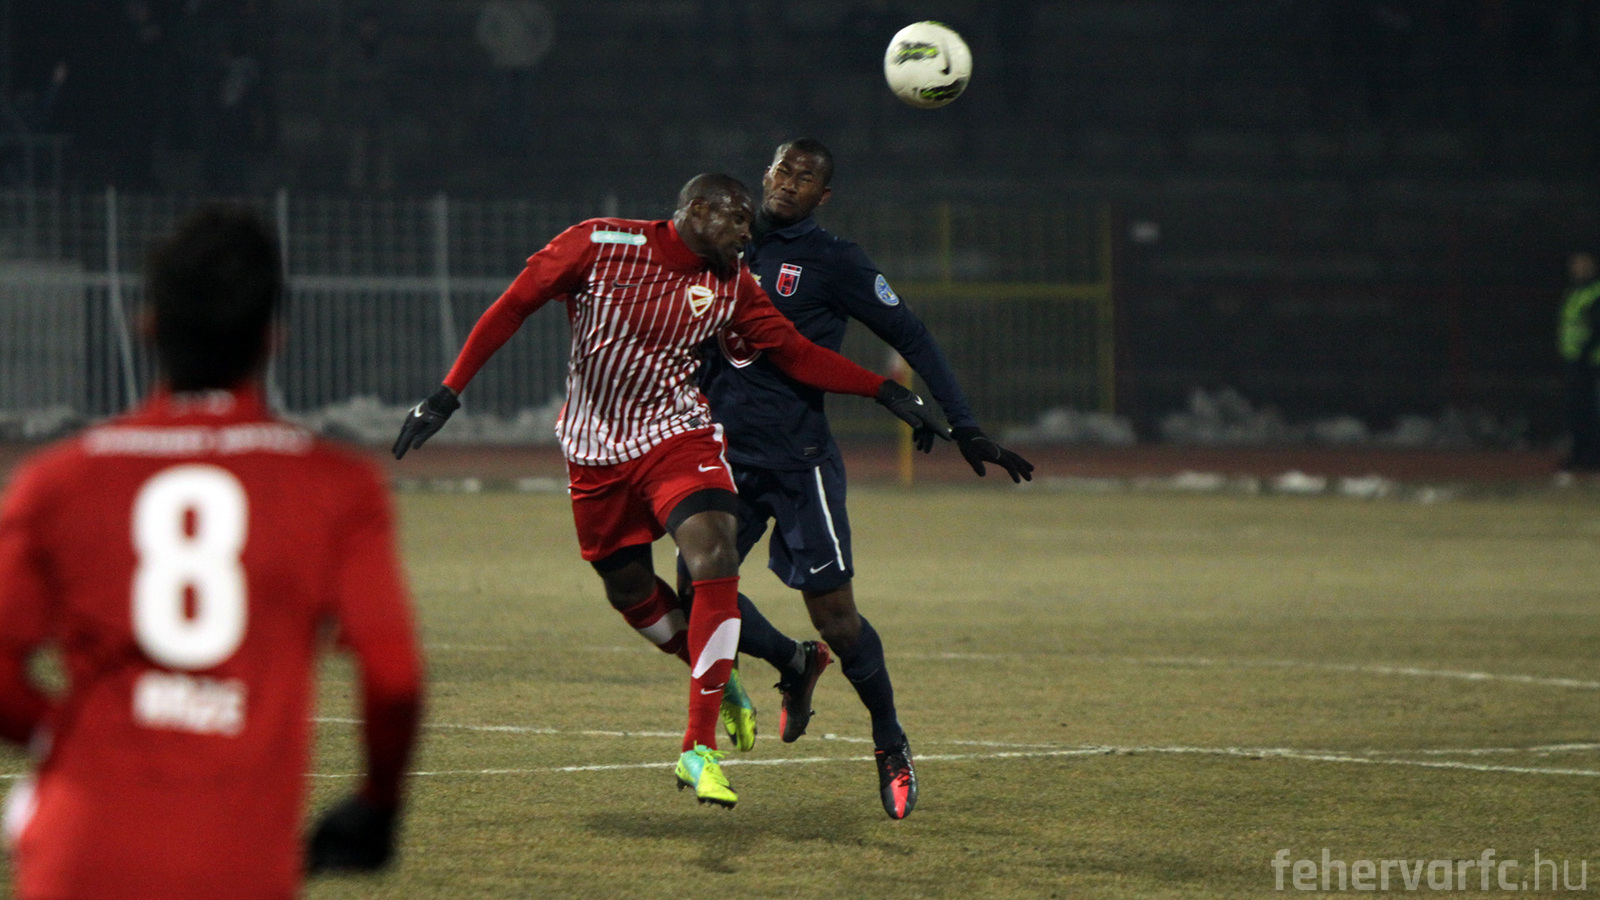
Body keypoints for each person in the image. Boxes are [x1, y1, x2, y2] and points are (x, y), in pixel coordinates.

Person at [392, 173, 948, 810]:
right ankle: (734, 673)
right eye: (737, 221)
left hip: (677, 435)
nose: (747, 235)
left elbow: (795, 353)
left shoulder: (732, 284)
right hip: (595, 449)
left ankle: (698, 747)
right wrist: (448, 393)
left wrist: (884, 390)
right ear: (698, 210)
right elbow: (513, 306)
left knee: (713, 557)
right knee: (629, 591)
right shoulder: (598, 244)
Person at [0, 205, 424, 900]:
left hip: (80, 857)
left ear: (147, 326)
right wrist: (378, 802)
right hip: (234, 862)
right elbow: (395, 678)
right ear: (273, 336)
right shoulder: (335, 486)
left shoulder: (58, 481)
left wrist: (65, 737)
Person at [681, 138, 1033, 820]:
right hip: (724, 458)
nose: (789, 182)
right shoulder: (727, 245)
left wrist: (964, 423)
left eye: (806, 176)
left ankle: (889, 740)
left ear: (824, 196)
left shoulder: (834, 259)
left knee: (838, 621)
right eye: (783, 168)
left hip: (799, 463)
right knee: (693, 587)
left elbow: (912, 335)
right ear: (766, 173)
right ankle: (792, 662)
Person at [1559, 250, 1600, 473]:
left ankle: (1592, 457)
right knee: (1576, 411)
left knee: (1591, 411)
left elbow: (1595, 328)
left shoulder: (1595, 292)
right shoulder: (1574, 292)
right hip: (1574, 361)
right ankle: (1579, 455)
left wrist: (1584, 355)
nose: (1578, 268)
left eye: (1583, 264)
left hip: (1592, 363)